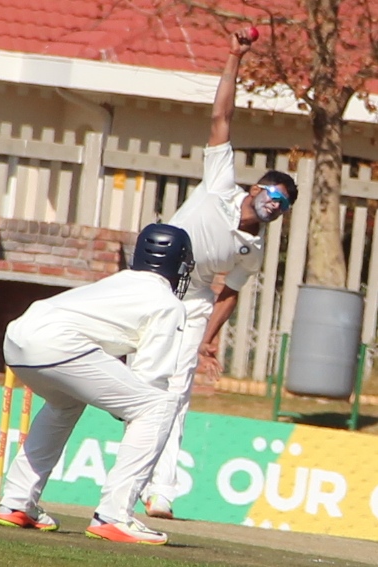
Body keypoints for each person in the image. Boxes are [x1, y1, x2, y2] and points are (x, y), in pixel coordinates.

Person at [142, 28, 299, 519]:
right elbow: (221, 117)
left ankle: (160, 491)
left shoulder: (254, 248)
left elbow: (228, 292)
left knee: (176, 391)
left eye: (284, 206)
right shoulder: (220, 182)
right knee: (140, 382)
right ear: (256, 189)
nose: (275, 207)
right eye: (274, 197)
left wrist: (209, 338)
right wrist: (234, 57)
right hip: (150, 281)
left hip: (193, 300)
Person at [0, 223, 194, 545]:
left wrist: (122, 399)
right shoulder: (168, 304)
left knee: (65, 403)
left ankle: (17, 503)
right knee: (158, 405)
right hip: (58, 344)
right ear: (180, 264)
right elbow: (152, 379)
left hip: (16, 338)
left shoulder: (119, 281)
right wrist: (127, 408)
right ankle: (114, 516)